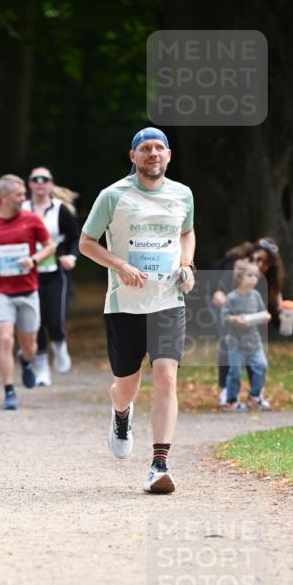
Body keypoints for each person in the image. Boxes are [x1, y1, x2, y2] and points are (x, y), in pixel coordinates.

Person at [78, 128, 195, 494]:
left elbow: (187, 233)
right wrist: (120, 266)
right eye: (145, 148)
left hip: (168, 300)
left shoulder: (182, 194)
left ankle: (159, 464)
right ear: (133, 157)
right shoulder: (113, 196)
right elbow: (85, 243)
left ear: (169, 155)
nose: (153, 154)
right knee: (126, 386)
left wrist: (188, 265)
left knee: (166, 377)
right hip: (125, 304)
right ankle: (121, 415)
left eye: (159, 148)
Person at [0, 174, 55, 410]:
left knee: (30, 346)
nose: (24, 198)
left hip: (28, 290)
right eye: (19, 195)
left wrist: (34, 259)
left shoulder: (32, 220)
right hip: (1, 292)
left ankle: (26, 361)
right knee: (6, 339)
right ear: (4, 197)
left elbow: (50, 246)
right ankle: (9, 391)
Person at [23, 166, 80, 385]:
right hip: (28, 272)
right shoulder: (23, 209)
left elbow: (76, 237)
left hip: (56, 270)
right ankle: (42, 369)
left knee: (54, 319)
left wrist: (72, 257)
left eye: (44, 179)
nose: (39, 183)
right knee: (35, 321)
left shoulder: (60, 209)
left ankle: (59, 344)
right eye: (35, 179)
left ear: (50, 183)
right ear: (29, 183)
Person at [210, 236, 284, 405]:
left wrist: (282, 311)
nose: (259, 265)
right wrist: (235, 315)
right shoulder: (237, 265)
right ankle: (226, 391)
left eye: (264, 263)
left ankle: (255, 393)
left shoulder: (262, 277)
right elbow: (218, 294)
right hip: (219, 296)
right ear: (251, 255)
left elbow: (275, 294)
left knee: (251, 343)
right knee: (227, 339)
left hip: (244, 305)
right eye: (257, 259)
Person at [221, 259, 271, 411]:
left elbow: (263, 313)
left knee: (261, 366)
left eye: (255, 276)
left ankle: (255, 396)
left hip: (254, 342)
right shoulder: (232, 297)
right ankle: (231, 401)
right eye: (250, 275)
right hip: (236, 343)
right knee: (235, 371)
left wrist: (265, 317)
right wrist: (236, 319)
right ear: (239, 278)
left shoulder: (255, 295)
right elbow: (225, 316)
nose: (253, 279)